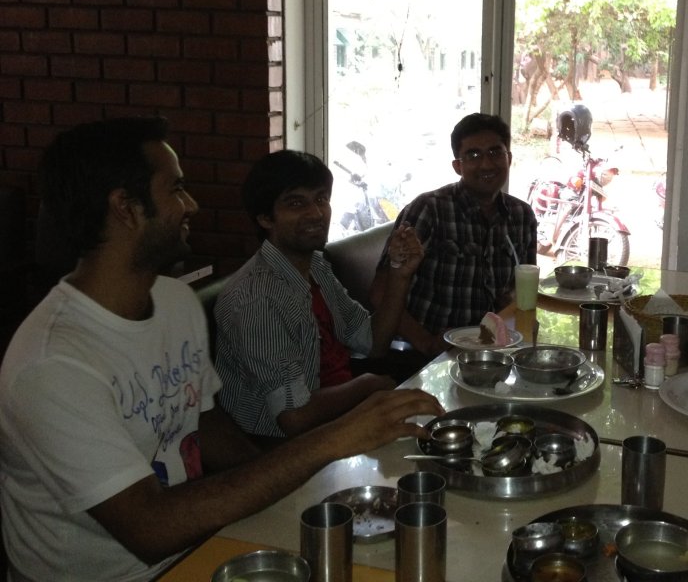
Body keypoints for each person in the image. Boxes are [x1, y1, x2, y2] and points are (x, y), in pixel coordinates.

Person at [0, 118, 443, 582]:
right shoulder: (53, 363)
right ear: (125, 208)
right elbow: (149, 529)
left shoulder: (173, 302)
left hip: (204, 542)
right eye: (176, 189)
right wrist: (335, 439)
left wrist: (290, 494)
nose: (191, 204)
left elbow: (205, 421)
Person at [214, 150, 424, 443]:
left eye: (321, 199)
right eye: (296, 203)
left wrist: (400, 275)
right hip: (279, 447)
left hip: (336, 418)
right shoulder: (257, 299)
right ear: (265, 218)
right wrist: (367, 386)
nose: (316, 213)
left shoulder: (314, 266)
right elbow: (295, 417)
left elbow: (373, 342)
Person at [370, 113, 538, 357]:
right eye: (473, 155)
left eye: (495, 153)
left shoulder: (522, 215)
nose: (486, 164)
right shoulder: (430, 209)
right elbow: (380, 292)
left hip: (492, 351)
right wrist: (426, 343)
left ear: (509, 158)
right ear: (458, 166)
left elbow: (521, 287)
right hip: (426, 353)